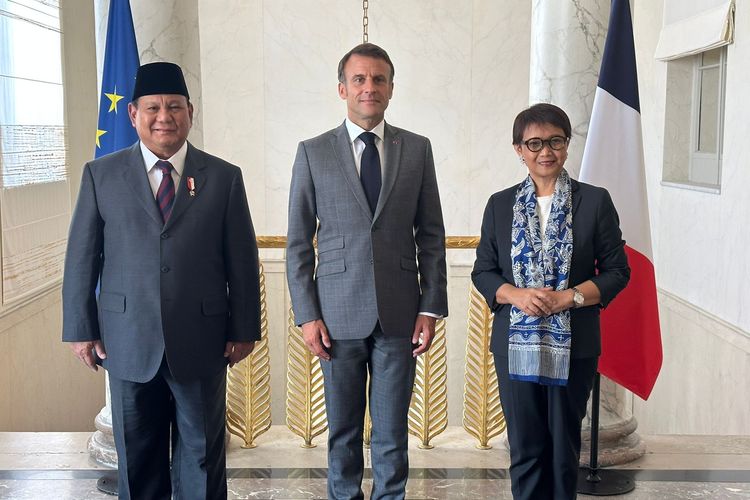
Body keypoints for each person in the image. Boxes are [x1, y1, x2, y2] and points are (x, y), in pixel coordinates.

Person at [62, 62, 261, 500]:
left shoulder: (224, 177)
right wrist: (81, 330)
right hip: (127, 339)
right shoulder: (101, 175)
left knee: (202, 455)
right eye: (153, 107)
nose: (164, 116)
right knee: (138, 454)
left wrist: (245, 328)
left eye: (174, 106)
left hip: (202, 339)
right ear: (133, 113)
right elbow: (82, 258)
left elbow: (241, 259)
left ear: (190, 111)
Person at [286, 43, 448, 500]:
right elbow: (299, 243)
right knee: (342, 431)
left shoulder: (416, 149)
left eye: (378, 79)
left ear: (391, 89)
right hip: (336, 316)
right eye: (359, 79)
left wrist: (431, 306)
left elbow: (431, 235)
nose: (369, 87)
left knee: (393, 432)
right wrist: (307, 315)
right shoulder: (313, 152)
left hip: (401, 313)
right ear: (343, 88)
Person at [471, 103, 630, 499]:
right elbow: (484, 272)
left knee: (563, 450)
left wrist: (569, 298)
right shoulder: (500, 204)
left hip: (574, 343)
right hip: (515, 345)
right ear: (518, 149)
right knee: (525, 448)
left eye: (555, 141)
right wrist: (518, 295)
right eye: (535, 143)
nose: (546, 151)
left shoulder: (594, 201)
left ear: (566, 145)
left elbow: (617, 272)